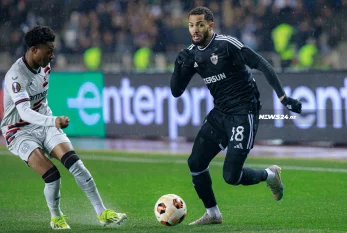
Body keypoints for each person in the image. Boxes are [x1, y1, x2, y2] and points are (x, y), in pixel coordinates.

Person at [170, 7, 302, 225]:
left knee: (231, 176)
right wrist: (179, 65)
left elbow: (262, 64)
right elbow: (176, 91)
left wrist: (283, 98)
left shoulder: (226, 45)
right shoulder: (191, 54)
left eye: (200, 24)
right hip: (220, 113)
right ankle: (213, 214)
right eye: (191, 25)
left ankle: (270, 175)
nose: (195, 30)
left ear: (210, 26)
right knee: (195, 162)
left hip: (244, 112)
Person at [1, 25, 127, 230]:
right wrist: (54, 121)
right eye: (48, 50)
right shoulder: (16, 76)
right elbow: (23, 112)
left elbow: (39, 103)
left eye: (53, 50)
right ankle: (56, 217)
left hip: (43, 122)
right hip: (18, 131)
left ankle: (102, 213)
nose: (52, 55)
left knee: (76, 164)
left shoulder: (45, 67)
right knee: (52, 176)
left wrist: (49, 121)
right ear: (34, 50)